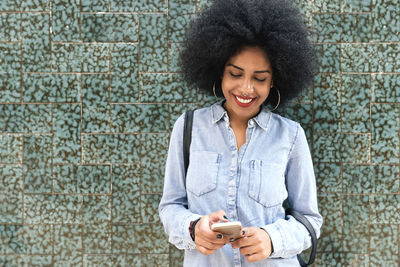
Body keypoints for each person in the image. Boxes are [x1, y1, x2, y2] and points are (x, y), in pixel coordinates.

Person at [159, 0, 323, 266]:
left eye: (259, 78)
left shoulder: (290, 136)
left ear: (274, 81)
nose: (246, 88)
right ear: (220, 73)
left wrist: (272, 239)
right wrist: (194, 228)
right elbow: (170, 207)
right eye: (235, 74)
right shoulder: (188, 127)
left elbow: (310, 221)